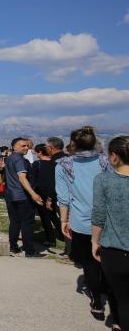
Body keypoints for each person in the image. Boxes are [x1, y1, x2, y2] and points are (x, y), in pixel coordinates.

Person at [57, 126, 114, 316]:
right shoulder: (106, 162)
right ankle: (112, 296)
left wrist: (64, 220)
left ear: (73, 144)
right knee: (108, 259)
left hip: (81, 219)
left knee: (89, 263)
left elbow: (63, 198)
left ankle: (96, 301)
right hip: (108, 219)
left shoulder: (63, 165)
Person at [92, 135, 129, 331]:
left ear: (113, 156)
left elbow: (99, 215)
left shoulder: (104, 180)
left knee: (123, 300)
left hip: (115, 249)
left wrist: (95, 241)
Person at [4, 137, 44, 257]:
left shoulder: (9, 158)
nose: (27, 148)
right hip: (22, 195)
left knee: (14, 221)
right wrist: (33, 194)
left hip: (10, 194)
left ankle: (13, 246)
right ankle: (29, 250)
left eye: (27, 145)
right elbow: (22, 178)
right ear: (14, 147)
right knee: (27, 223)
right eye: (23, 146)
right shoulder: (19, 159)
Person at [29, 144, 62, 246]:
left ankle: (51, 239)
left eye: (36, 152)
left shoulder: (37, 164)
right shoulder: (56, 164)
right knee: (53, 215)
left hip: (40, 194)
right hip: (53, 193)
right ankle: (62, 234)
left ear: (40, 152)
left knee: (44, 217)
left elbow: (32, 180)